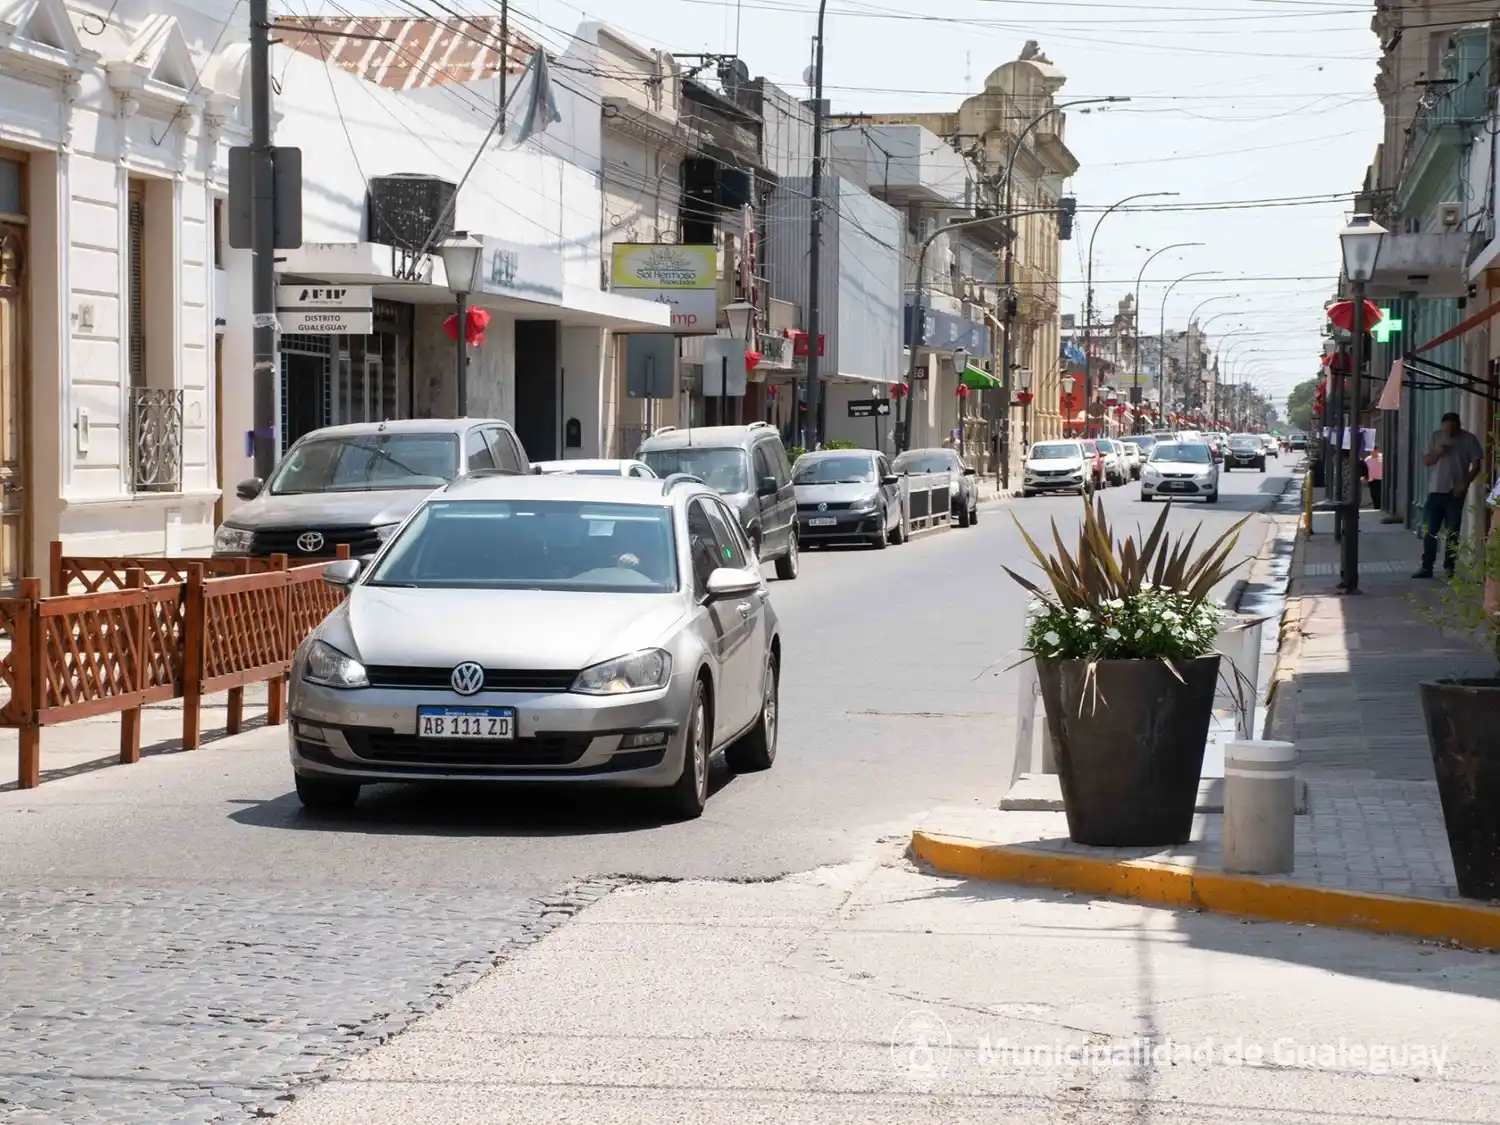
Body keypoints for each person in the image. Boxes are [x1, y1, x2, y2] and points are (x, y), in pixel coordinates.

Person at [1415, 412, 1485, 579]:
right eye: (1446, 429)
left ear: (1459, 426)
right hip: (1436, 490)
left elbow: (1476, 465)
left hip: (1455, 492)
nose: (1449, 433)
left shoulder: (1469, 439)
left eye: (1452, 430)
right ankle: (1427, 567)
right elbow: (1426, 462)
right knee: (1431, 530)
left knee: (1453, 531)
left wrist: (1464, 483)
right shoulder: (1435, 437)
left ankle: (1449, 567)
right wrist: (1438, 452)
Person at [1364, 445, 1383, 511]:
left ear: (1377, 450)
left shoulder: (1382, 457)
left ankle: (1381, 507)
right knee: (1374, 495)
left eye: (1373, 450)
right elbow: (1364, 470)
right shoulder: (1367, 460)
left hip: (1381, 479)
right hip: (1372, 480)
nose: (1371, 452)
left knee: (1381, 494)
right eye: (1370, 451)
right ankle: (1376, 508)